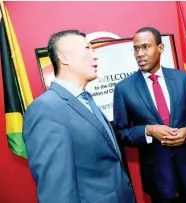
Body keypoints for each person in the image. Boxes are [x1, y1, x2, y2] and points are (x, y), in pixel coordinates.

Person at [23, 30, 136, 203]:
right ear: (64, 58)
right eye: (87, 49)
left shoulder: (86, 99)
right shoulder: (45, 109)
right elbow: (57, 192)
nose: (95, 56)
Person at [113, 27, 186, 203]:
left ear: (160, 48)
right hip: (157, 177)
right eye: (136, 48)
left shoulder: (182, 79)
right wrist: (148, 130)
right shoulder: (123, 89)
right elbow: (120, 133)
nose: (140, 53)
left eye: (146, 47)